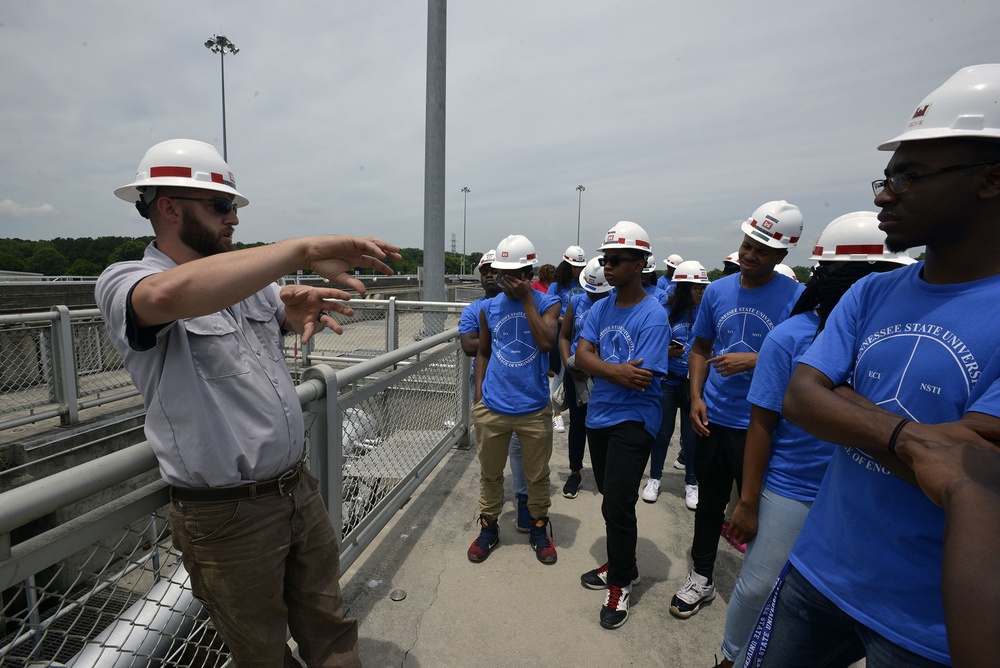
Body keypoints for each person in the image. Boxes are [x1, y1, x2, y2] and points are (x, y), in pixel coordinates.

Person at [97, 138, 401, 667]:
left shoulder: (246, 280)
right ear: (168, 207)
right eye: (221, 206)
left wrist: (293, 304)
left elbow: (273, 311)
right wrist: (301, 250)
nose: (233, 218)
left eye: (233, 207)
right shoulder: (127, 280)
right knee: (261, 652)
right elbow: (169, 298)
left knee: (330, 627)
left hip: (295, 489)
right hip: (227, 514)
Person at [747, 64, 1000, 668]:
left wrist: (849, 404)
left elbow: (983, 460)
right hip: (821, 570)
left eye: (911, 176)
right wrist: (917, 442)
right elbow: (803, 399)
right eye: (885, 179)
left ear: (991, 179)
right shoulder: (871, 294)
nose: (886, 194)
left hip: (926, 625)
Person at [715, 212, 914, 668]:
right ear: (851, 281)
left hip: (862, 492)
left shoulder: (892, 340)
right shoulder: (790, 338)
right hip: (794, 488)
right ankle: (730, 657)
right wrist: (748, 500)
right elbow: (762, 423)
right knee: (760, 585)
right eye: (880, 276)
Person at [669, 200, 804, 620]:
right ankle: (702, 577)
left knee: (756, 509)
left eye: (762, 250)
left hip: (763, 426)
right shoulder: (717, 291)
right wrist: (696, 396)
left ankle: (757, 587)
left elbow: (808, 359)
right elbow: (700, 347)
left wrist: (755, 359)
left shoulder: (797, 298)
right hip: (715, 417)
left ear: (782, 255)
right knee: (709, 505)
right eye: (747, 244)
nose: (749, 255)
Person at [576, 221, 671, 629]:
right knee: (608, 498)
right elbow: (581, 357)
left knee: (617, 502)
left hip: (636, 418)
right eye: (605, 260)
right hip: (599, 416)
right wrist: (613, 370)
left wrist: (602, 366)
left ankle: (620, 583)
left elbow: (642, 378)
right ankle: (622, 564)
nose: (607, 267)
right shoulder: (600, 307)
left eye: (616, 260)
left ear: (639, 264)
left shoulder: (653, 316)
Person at [468, 234, 561, 565]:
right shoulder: (488, 307)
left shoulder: (548, 303)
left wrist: (525, 300)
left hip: (533, 408)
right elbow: (482, 351)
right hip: (492, 407)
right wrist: (479, 395)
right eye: (499, 271)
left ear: (529, 272)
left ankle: (538, 529)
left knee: (537, 476)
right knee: (490, 474)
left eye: (512, 273)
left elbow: (547, 343)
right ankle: (489, 528)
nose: (503, 279)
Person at [459, 250, 531, 532]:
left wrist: (490, 341)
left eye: (494, 270)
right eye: (484, 271)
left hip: (518, 389)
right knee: (490, 453)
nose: (489, 274)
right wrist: (502, 341)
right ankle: (492, 508)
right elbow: (468, 346)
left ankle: (523, 499)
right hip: (485, 390)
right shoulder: (473, 310)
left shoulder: (522, 305)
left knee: (518, 449)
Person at [641, 260, 708, 509]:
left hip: (695, 384)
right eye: (696, 288)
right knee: (662, 433)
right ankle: (654, 478)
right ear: (682, 289)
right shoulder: (665, 312)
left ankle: (691, 482)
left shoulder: (707, 311)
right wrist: (667, 351)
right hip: (669, 380)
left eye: (703, 288)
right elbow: (652, 345)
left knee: (691, 436)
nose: (701, 292)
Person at [558, 256, 613, 499]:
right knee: (578, 425)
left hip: (604, 375)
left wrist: (595, 368)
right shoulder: (576, 301)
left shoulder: (615, 304)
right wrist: (567, 364)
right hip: (576, 374)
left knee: (604, 425)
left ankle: (607, 474)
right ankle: (575, 471)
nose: (592, 295)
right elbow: (564, 336)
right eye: (589, 290)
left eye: (596, 292)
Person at [548, 246, 587, 433]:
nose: (577, 270)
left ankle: (578, 409)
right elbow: (548, 312)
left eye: (580, 267)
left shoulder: (585, 283)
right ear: (566, 265)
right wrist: (566, 319)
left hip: (581, 332)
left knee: (582, 371)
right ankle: (556, 414)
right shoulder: (557, 286)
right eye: (573, 266)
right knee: (561, 372)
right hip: (563, 331)